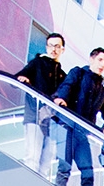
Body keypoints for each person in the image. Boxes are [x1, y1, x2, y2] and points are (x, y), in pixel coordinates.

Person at [51, 48, 104, 186]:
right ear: (91, 59)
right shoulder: (78, 73)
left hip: (81, 132)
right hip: (67, 125)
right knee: (65, 167)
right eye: (100, 60)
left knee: (88, 173)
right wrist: (61, 99)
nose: (103, 64)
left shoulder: (103, 91)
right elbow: (67, 85)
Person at [15, 33, 67, 174]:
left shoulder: (63, 75)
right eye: (50, 46)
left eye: (57, 46)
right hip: (35, 116)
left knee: (45, 163)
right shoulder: (37, 63)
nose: (53, 49)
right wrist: (24, 79)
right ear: (46, 47)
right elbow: (18, 78)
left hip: (52, 122)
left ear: (63, 50)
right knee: (32, 158)